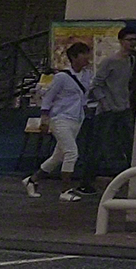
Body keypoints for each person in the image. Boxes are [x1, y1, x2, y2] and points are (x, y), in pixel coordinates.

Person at [25, 43, 92, 199]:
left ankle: (32, 180)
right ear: (74, 57)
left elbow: (86, 97)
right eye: (84, 54)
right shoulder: (61, 77)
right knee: (71, 152)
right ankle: (65, 190)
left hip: (77, 118)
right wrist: (44, 119)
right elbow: (48, 98)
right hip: (60, 118)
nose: (87, 57)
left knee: (58, 156)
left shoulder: (88, 75)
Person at [80, 27, 136, 193]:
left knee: (129, 144)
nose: (133, 43)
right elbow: (96, 85)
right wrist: (104, 103)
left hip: (124, 108)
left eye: (135, 40)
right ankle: (86, 181)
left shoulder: (131, 60)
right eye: (129, 40)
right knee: (98, 145)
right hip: (108, 110)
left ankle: (131, 179)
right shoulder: (110, 61)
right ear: (121, 41)